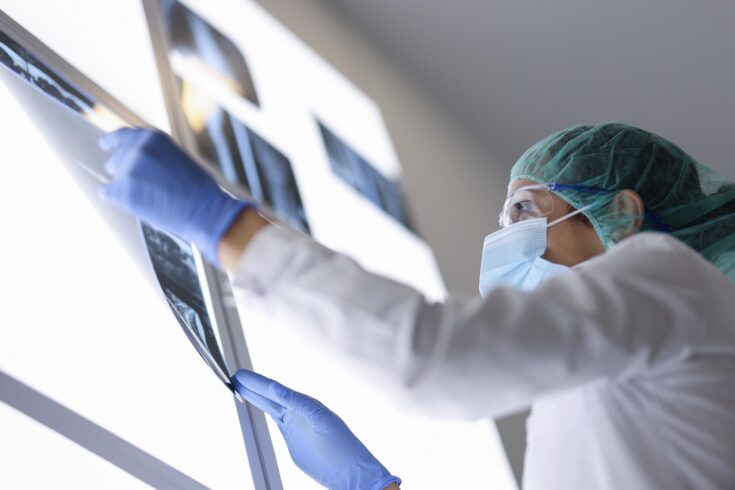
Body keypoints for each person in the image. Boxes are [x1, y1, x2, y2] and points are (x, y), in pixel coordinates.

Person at [99, 122, 735, 489]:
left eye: (523, 209)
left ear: (620, 213)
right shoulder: (600, 386)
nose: (503, 235)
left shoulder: (671, 279)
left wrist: (224, 226)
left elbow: (432, 360)